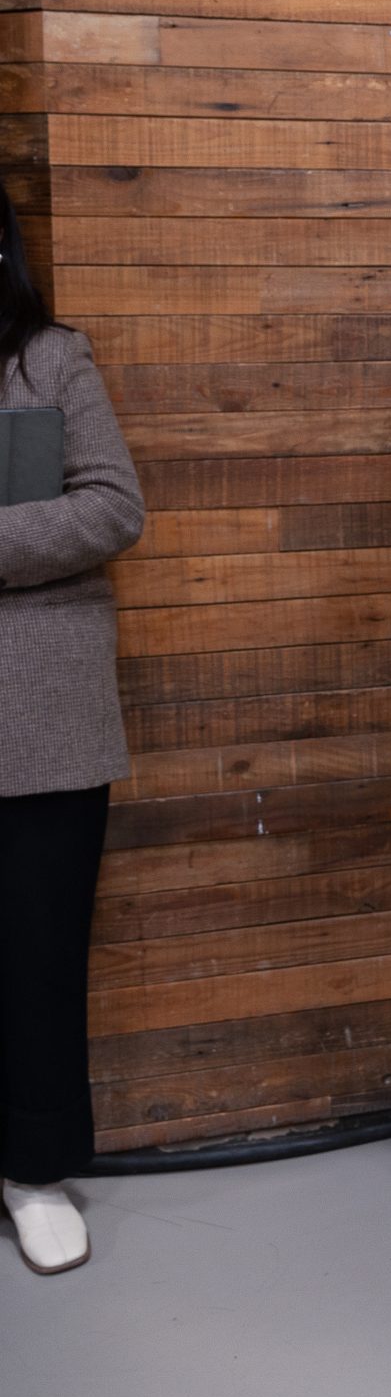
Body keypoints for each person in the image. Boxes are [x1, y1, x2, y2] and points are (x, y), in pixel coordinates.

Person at [0, 173, 144, 1274]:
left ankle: (34, 1171)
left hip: (38, 723)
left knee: (37, 958)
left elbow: (113, 505)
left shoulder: (50, 359)